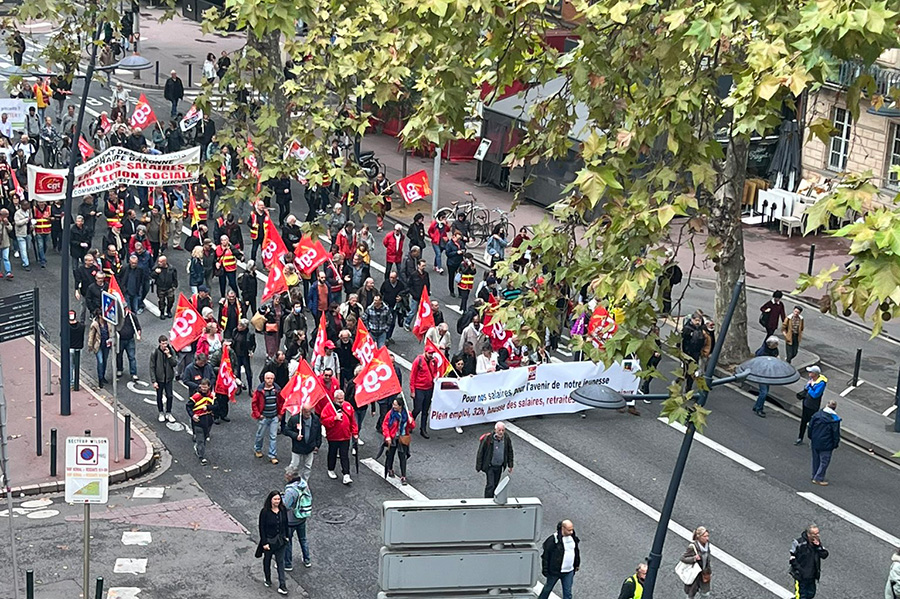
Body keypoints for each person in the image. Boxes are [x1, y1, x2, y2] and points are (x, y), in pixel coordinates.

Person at [320, 390, 358, 484]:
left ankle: (346, 474)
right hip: (333, 436)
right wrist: (334, 418)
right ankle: (331, 468)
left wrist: (355, 432)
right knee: (332, 453)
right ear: (334, 398)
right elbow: (323, 421)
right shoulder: (328, 407)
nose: (341, 401)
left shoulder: (348, 406)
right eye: (338, 399)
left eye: (342, 399)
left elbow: (352, 420)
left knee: (344, 455)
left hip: (345, 436)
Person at [256, 490, 290, 595]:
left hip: (281, 541)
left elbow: (286, 523)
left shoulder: (283, 509)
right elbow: (262, 528)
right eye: (275, 499)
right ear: (270, 500)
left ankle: (282, 585)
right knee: (267, 560)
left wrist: (287, 536)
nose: (277, 501)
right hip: (269, 541)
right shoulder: (265, 512)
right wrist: (264, 542)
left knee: (280, 562)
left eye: (279, 499)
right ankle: (268, 579)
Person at [537, 520, 580, 599]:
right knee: (547, 589)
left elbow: (576, 551)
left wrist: (577, 564)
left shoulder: (573, 538)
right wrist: (545, 570)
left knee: (568, 593)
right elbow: (546, 556)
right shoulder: (553, 540)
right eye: (569, 530)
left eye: (572, 529)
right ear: (563, 528)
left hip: (569, 571)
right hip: (554, 572)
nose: (571, 532)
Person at [281, 470, 312, 571]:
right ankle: (307, 560)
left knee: (288, 541)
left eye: (286, 474)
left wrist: (282, 497)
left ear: (289, 477)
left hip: (291, 520)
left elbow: (286, 505)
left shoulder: (291, 491)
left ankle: (288, 564)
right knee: (303, 539)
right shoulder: (303, 484)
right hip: (302, 516)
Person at [252, 371, 284, 465]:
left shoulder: (277, 390)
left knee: (273, 437)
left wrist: (280, 414)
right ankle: (258, 449)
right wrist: (258, 415)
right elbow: (254, 403)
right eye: (268, 378)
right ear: (264, 379)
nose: (270, 380)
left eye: (271, 378)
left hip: (274, 416)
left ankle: (272, 455)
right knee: (260, 435)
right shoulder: (259, 390)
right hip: (264, 417)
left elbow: (281, 402)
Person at [475, 422, 514, 498]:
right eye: (499, 430)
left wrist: (510, 465)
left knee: (495, 484)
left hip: (499, 466)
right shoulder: (488, 438)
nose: (501, 432)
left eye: (503, 430)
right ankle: (487, 500)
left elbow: (510, 451)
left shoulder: (506, 438)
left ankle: (493, 498)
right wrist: (478, 466)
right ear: (495, 430)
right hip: (490, 466)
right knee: (490, 485)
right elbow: (480, 452)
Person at [790, 524, 828, 599]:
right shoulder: (798, 543)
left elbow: (824, 555)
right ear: (809, 534)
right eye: (815, 534)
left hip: (811, 576)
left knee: (810, 594)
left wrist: (818, 546)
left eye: (818, 533)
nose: (818, 535)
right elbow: (792, 559)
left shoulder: (817, 543)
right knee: (801, 596)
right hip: (801, 577)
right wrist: (801, 571)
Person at [285, 404, 321, 482]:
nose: (308, 414)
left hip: (310, 447)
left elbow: (318, 433)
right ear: (302, 411)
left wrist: (317, 445)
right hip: (298, 447)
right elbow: (287, 430)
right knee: (294, 465)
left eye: (309, 412)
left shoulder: (315, 419)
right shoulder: (295, 419)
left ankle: (304, 482)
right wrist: (295, 436)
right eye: (306, 412)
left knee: (308, 466)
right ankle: (290, 479)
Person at [382, 396, 414, 485]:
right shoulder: (390, 414)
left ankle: (403, 476)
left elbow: (412, 426)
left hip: (402, 438)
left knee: (402, 457)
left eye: (395, 405)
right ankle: (390, 468)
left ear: (401, 406)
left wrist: (411, 421)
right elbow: (385, 425)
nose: (393, 406)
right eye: (393, 404)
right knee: (390, 455)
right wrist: (387, 436)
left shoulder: (407, 414)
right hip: (393, 438)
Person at [808, 399, 841, 485]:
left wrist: (811, 437)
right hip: (827, 443)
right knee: (824, 461)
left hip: (815, 440)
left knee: (816, 459)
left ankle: (814, 475)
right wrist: (835, 444)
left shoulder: (817, 415)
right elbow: (835, 434)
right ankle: (818, 478)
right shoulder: (834, 420)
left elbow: (810, 427)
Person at [410, 347, 438, 438]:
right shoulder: (418, 361)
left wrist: (435, 377)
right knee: (417, 409)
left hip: (429, 389)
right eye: (429, 353)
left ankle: (423, 429)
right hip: (419, 388)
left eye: (432, 353)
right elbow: (412, 376)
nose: (431, 355)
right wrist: (412, 390)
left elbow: (435, 372)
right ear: (425, 352)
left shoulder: (434, 361)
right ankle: (410, 423)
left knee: (425, 410)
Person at [795, 366, 827, 445]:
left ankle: (812, 440)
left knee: (812, 423)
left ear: (815, 374)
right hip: (806, 403)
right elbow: (806, 388)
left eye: (810, 372)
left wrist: (809, 388)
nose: (809, 373)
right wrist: (807, 387)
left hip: (813, 406)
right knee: (803, 421)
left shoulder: (821, 383)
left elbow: (815, 395)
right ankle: (800, 437)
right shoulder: (811, 379)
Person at [186, 378, 215, 465]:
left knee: (205, 438)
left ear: (209, 387)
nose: (203, 389)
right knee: (201, 440)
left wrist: (208, 408)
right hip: (198, 421)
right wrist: (193, 415)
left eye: (205, 387)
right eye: (202, 387)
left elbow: (217, 406)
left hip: (208, 421)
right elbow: (188, 407)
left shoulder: (212, 396)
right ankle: (201, 456)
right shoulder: (196, 396)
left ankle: (198, 448)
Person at [149, 336, 178, 423]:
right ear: (160, 343)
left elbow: (174, 363)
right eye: (163, 343)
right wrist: (154, 381)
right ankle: (161, 412)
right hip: (159, 379)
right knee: (159, 396)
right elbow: (152, 367)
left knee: (169, 396)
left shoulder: (171, 351)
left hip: (168, 378)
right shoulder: (155, 352)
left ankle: (168, 412)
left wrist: (169, 355)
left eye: (166, 343)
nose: (165, 345)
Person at [680, 526, 712, 598]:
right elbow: (682, 558)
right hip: (695, 574)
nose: (707, 538)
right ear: (699, 537)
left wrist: (709, 570)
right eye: (705, 536)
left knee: (705, 594)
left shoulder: (707, 545)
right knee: (691, 594)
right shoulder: (693, 547)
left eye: (708, 536)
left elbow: (707, 559)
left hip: (704, 572)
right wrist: (694, 558)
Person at [752, 336, 779, 417]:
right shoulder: (762, 352)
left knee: (764, 392)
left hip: (767, 373)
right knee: (764, 392)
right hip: (762, 374)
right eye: (775, 344)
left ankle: (757, 406)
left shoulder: (774, 350)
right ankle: (759, 409)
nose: (777, 345)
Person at [115, 306, 142, 381]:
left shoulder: (132, 316)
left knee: (132, 357)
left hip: (130, 340)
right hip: (120, 340)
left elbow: (138, 327)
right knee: (119, 355)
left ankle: (133, 373)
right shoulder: (118, 316)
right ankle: (119, 369)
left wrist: (138, 334)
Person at [87, 310, 112, 388]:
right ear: (100, 316)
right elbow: (91, 335)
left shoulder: (108, 323)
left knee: (104, 361)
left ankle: (103, 376)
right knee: (100, 361)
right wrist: (90, 345)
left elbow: (111, 332)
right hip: (98, 346)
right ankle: (100, 379)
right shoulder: (95, 324)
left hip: (106, 345)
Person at [151, 255, 178, 319]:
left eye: (161, 262)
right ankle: (162, 312)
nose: (159, 263)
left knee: (171, 300)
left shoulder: (171, 269)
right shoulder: (156, 268)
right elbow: (152, 276)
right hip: (160, 288)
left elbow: (174, 278)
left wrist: (174, 286)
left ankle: (169, 310)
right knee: (161, 301)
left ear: (165, 262)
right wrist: (156, 273)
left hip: (169, 288)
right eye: (158, 262)